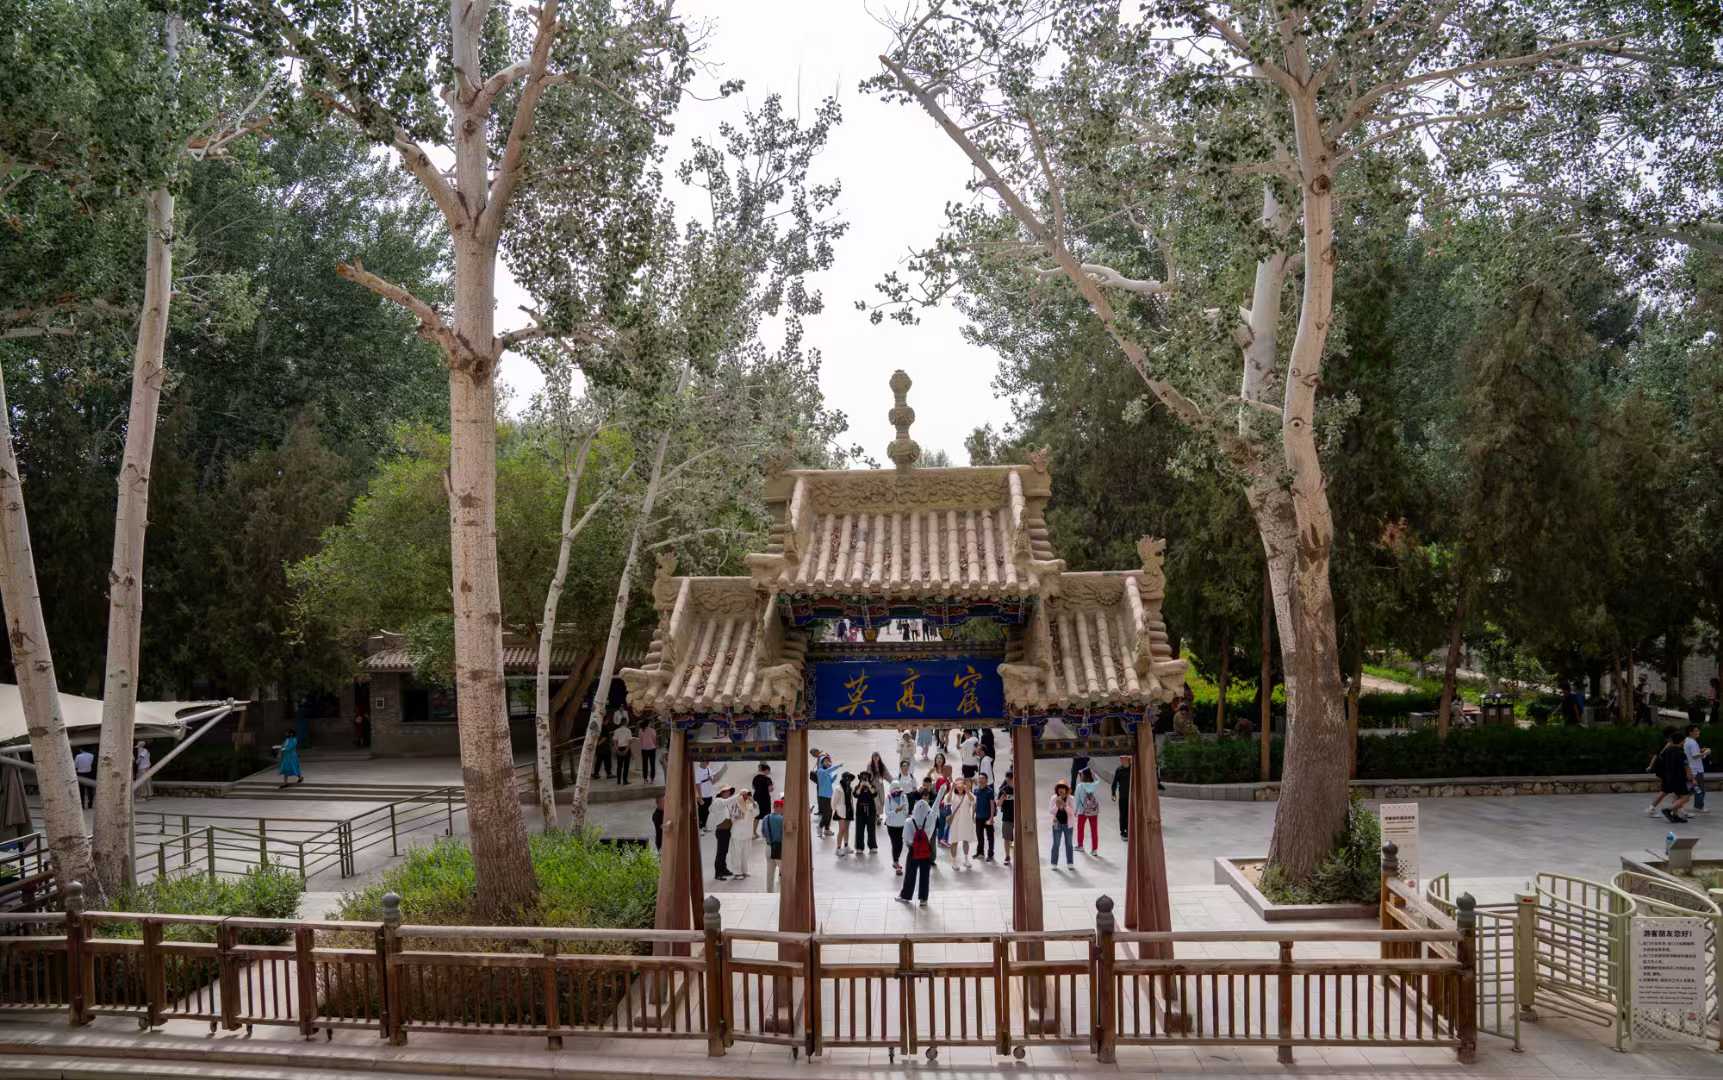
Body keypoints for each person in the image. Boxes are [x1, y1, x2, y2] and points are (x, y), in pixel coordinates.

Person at [895, 788, 938, 907]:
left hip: (913, 851)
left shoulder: (909, 821)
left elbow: (906, 839)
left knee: (910, 873)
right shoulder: (930, 819)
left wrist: (912, 844)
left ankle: (906, 895)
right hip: (926, 850)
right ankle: (923, 899)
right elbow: (935, 808)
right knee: (925, 875)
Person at [1654, 728, 1693, 824]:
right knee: (1686, 797)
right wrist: (1690, 777)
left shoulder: (1667, 751)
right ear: (1681, 741)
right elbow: (1686, 766)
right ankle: (1668, 809)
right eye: (1684, 740)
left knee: (1677, 796)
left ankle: (1675, 815)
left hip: (1669, 777)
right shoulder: (1681, 752)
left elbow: (1662, 762)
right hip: (1679, 778)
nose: (1684, 742)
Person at [945, 779, 977, 869]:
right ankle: (954, 861)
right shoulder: (952, 794)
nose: (960, 787)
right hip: (955, 822)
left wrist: (967, 791)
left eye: (961, 784)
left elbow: (973, 801)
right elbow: (947, 800)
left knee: (966, 840)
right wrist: (951, 789)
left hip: (966, 821)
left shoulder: (968, 794)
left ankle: (966, 859)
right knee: (954, 841)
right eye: (957, 785)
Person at [711, 785, 738, 879]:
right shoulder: (718, 801)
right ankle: (718, 873)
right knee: (721, 852)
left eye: (729, 791)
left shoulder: (724, 802)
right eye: (726, 791)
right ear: (721, 793)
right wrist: (739, 794)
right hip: (722, 831)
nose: (728, 793)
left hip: (726, 830)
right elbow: (729, 801)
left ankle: (724, 869)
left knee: (724, 851)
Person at [1074, 768, 1103, 854]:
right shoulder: (1094, 785)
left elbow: (1077, 799)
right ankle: (1094, 849)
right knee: (1094, 830)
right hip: (1093, 811)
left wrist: (1075, 810)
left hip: (1082, 811)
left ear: (1083, 776)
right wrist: (1093, 773)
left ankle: (1080, 846)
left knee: (1080, 829)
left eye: (1081, 774)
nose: (1080, 776)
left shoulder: (1080, 786)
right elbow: (1099, 780)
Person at [884, 781, 910, 874]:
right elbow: (887, 813)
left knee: (900, 844)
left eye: (898, 790)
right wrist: (896, 810)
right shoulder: (888, 798)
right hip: (891, 825)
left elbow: (907, 810)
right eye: (894, 790)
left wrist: (904, 810)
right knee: (895, 843)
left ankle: (896, 859)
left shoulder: (904, 797)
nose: (896, 792)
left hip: (902, 825)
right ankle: (896, 862)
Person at [1683, 724, 1711, 814]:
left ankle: (1678, 804)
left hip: (1692, 768)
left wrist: (1701, 751)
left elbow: (1693, 754)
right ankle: (1698, 807)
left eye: (1698, 730)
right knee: (1700, 789)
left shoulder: (1687, 741)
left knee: (1693, 789)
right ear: (1690, 732)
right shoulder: (1692, 742)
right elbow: (1695, 755)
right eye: (1696, 731)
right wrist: (1706, 752)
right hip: (1696, 769)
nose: (1698, 732)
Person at [1048, 782, 1075, 868]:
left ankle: (1070, 863)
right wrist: (1057, 805)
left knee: (1069, 844)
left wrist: (1065, 805)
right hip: (1057, 824)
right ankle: (1054, 863)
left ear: (1066, 790)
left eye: (1063, 788)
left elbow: (1072, 812)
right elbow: (1051, 811)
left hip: (1068, 824)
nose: (1061, 790)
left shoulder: (1071, 798)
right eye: (1059, 788)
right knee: (1056, 843)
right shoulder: (1054, 798)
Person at [814, 755, 842, 837]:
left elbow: (829, 782)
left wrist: (834, 778)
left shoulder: (827, 772)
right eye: (825, 761)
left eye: (828, 761)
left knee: (830, 813)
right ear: (821, 763)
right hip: (823, 796)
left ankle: (827, 829)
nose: (827, 762)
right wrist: (838, 766)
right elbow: (829, 770)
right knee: (826, 813)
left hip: (830, 795)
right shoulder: (820, 771)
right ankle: (820, 826)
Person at [972, 773, 997, 863]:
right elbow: (975, 803)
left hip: (987, 817)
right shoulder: (976, 791)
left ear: (986, 780)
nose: (981, 780)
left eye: (983, 778)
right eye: (980, 778)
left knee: (990, 837)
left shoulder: (989, 791)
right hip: (978, 817)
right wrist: (973, 814)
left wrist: (991, 818)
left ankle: (990, 854)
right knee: (979, 836)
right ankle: (980, 852)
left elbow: (992, 805)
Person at [763, 799, 785, 892]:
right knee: (784, 872)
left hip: (768, 847)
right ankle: (783, 893)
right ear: (779, 807)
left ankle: (769, 892)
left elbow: (763, 832)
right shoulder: (782, 819)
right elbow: (784, 835)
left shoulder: (766, 818)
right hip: (779, 849)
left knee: (770, 873)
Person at [729, 792, 754, 879]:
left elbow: (757, 813)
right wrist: (737, 815)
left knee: (745, 853)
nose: (746, 797)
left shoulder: (751, 805)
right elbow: (732, 818)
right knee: (737, 854)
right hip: (737, 834)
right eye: (744, 795)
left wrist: (753, 802)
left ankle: (744, 871)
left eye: (747, 795)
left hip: (747, 833)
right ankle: (737, 873)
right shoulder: (735, 805)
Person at [854, 774, 879, 854]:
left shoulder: (872, 786)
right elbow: (856, 794)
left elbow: (874, 794)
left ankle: (872, 846)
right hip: (860, 811)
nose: (864, 779)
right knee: (859, 830)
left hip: (870, 811)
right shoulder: (858, 786)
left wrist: (868, 785)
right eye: (863, 778)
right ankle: (859, 847)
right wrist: (861, 786)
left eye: (866, 778)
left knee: (871, 829)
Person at [1112, 756, 1133, 840]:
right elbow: (1114, 782)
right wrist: (1113, 793)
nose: (1121, 760)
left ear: (1128, 759)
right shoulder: (1119, 770)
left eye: (1123, 758)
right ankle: (1123, 832)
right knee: (1122, 814)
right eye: (1120, 758)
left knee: (1129, 814)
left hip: (1131, 796)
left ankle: (1129, 830)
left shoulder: (1133, 769)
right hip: (1123, 796)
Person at [751, 763, 774, 837]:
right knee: (766, 816)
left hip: (756, 798)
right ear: (766, 770)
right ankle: (766, 833)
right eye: (769, 771)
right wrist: (772, 787)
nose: (769, 772)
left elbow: (753, 787)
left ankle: (754, 832)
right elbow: (770, 789)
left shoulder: (755, 778)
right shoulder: (767, 779)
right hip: (765, 799)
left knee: (757, 816)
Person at [833, 772, 854, 855]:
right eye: (847, 778)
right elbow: (833, 802)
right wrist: (836, 810)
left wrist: (852, 809)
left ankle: (846, 846)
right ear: (843, 778)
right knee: (841, 829)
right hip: (840, 811)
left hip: (848, 811)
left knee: (846, 829)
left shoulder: (850, 788)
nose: (848, 780)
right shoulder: (838, 789)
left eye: (850, 779)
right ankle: (838, 849)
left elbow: (850, 800)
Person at [998, 768, 1015, 866]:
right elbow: (998, 804)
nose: (1008, 782)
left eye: (1010, 780)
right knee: (1006, 838)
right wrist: (1002, 798)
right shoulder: (1003, 790)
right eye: (1007, 780)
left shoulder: (1019, 788)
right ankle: (1007, 856)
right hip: (1007, 817)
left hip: (1018, 817)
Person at [593, 710, 615, 780]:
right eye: (607, 720)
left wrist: (596, 745)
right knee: (607, 761)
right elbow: (604, 738)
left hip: (599, 748)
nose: (608, 721)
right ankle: (609, 773)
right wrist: (598, 744)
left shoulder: (598, 727)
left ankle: (596, 773)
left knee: (598, 761)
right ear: (605, 720)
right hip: (605, 747)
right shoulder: (604, 727)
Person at [695, 762, 717, 832]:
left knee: (707, 811)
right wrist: (699, 797)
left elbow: (713, 782)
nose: (708, 763)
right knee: (701, 812)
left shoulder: (709, 769)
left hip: (709, 794)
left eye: (708, 762)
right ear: (701, 762)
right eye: (706, 761)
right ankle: (700, 828)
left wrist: (711, 779)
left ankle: (704, 826)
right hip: (702, 795)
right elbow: (697, 785)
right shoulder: (698, 771)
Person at [612, 719, 634, 786]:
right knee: (626, 766)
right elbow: (630, 741)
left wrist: (617, 750)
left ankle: (618, 781)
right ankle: (625, 780)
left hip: (619, 748)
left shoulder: (616, 731)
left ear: (620, 723)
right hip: (626, 748)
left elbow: (615, 741)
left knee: (619, 765)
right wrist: (626, 750)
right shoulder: (628, 730)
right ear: (625, 723)